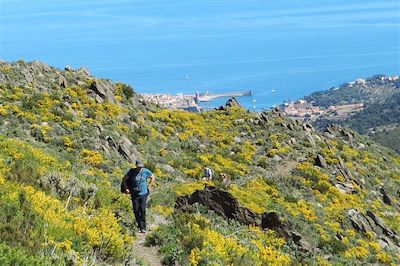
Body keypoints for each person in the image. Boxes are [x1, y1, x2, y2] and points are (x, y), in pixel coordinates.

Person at [122, 160, 155, 233]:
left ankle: (143, 227)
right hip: (134, 194)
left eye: (141, 167)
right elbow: (124, 179)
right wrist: (126, 188)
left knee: (142, 210)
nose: (139, 168)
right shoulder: (131, 171)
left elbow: (152, 177)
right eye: (138, 167)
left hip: (143, 194)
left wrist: (149, 186)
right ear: (136, 166)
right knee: (136, 210)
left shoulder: (146, 171)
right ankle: (139, 225)